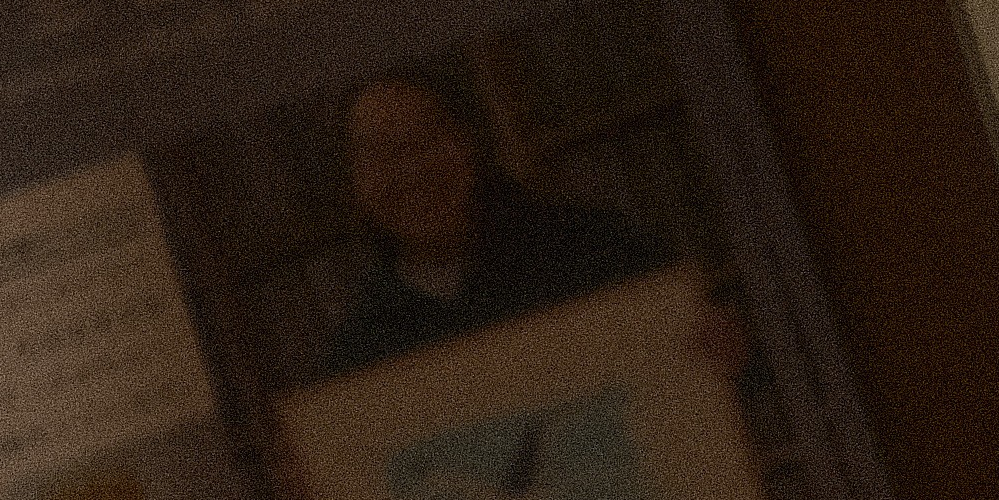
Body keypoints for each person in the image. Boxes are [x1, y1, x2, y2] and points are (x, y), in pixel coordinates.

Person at [307, 66, 717, 378]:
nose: (410, 171)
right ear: (353, 187)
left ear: (473, 142)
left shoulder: (597, 249)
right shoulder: (360, 353)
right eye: (378, 155)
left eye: (425, 139)